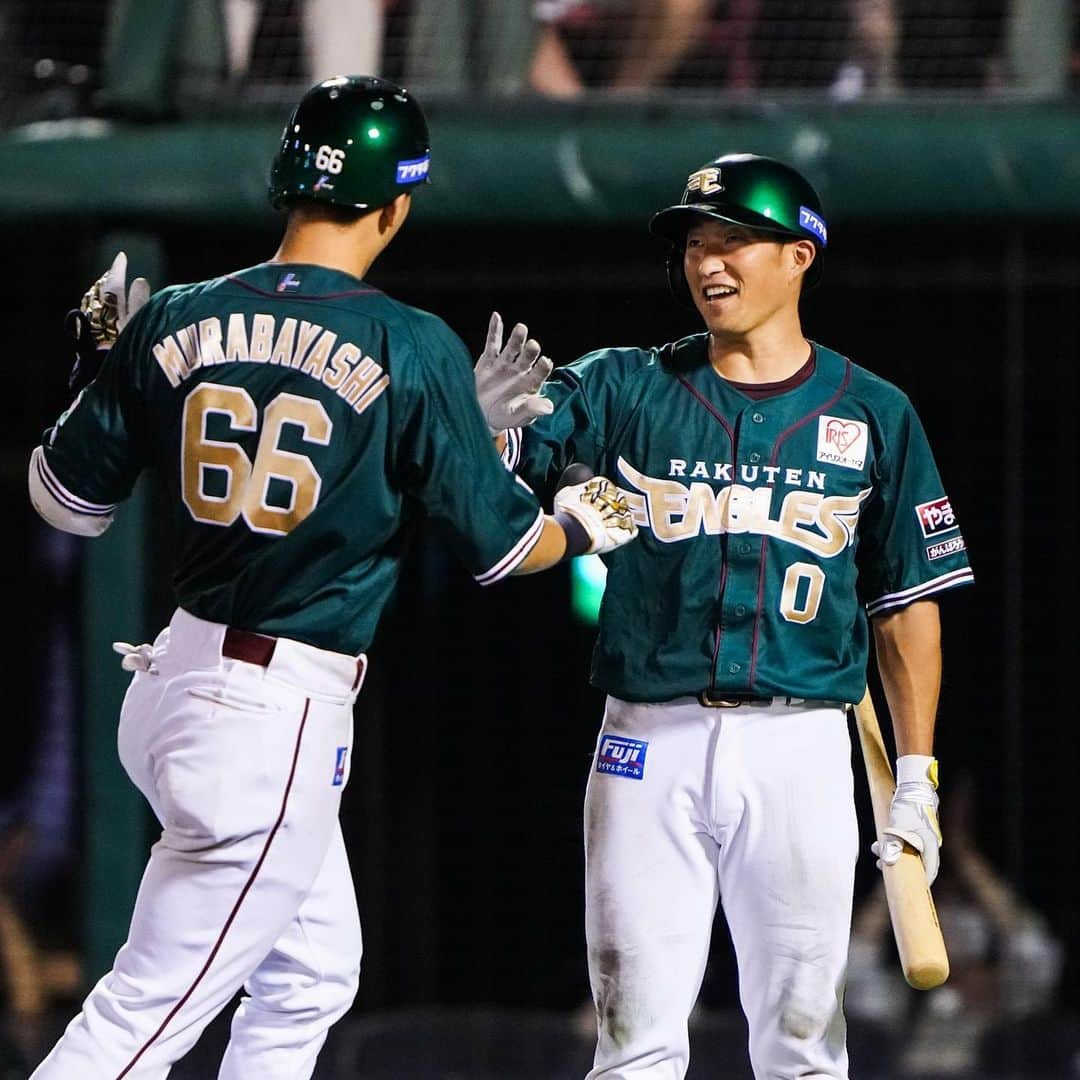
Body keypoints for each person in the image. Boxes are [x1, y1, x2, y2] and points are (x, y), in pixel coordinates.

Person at [26, 74, 636, 1079]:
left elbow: (67, 503)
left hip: (176, 681)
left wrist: (99, 368)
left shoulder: (176, 315)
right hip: (271, 723)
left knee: (309, 973)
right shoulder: (407, 342)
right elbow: (504, 550)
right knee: (136, 1022)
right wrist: (574, 520)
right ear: (395, 205)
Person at [477, 152, 974, 1078]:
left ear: (800, 255)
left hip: (803, 745)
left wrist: (917, 776)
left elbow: (909, 607)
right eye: (697, 243)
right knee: (632, 1043)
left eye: (736, 241)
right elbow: (494, 482)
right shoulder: (624, 385)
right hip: (644, 738)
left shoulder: (873, 412)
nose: (709, 262)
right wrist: (486, 430)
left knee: (800, 1045)